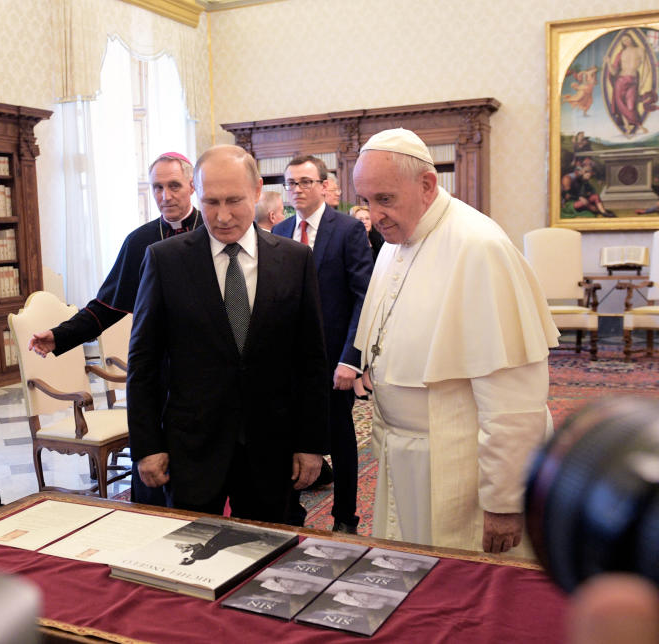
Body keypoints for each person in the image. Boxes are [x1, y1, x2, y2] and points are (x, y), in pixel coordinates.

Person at [352, 127, 559, 554]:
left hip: (456, 466)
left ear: (427, 185)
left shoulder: (479, 247)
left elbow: (514, 399)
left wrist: (504, 501)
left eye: (385, 199)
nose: (375, 216)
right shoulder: (396, 241)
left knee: (463, 592)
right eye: (367, 201)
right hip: (405, 458)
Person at [127, 144, 329, 525]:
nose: (221, 216)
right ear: (196, 195)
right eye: (210, 201)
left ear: (256, 192)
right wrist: (147, 446)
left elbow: (311, 359)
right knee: (189, 557)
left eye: (234, 201)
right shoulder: (164, 259)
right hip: (192, 447)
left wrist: (311, 443)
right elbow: (144, 361)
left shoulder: (295, 260)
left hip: (273, 445)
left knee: (270, 559)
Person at [27, 152, 202, 506]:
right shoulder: (140, 241)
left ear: (191, 187)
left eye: (174, 186)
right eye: (157, 187)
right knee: (153, 466)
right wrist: (60, 335)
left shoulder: (211, 232)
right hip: (156, 370)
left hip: (203, 371)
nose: (165, 196)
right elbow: (106, 306)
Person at [272, 155, 373, 533]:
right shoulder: (277, 232)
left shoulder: (346, 230)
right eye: (290, 182)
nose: (297, 189)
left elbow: (363, 298)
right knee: (288, 438)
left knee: (340, 439)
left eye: (305, 182)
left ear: (323, 186)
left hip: (333, 361)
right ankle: (291, 512)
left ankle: (345, 516)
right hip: (284, 364)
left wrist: (351, 359)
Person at [604, 32, 658, 136]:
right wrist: (608, 62)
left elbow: (646, 67)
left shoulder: (640, 50)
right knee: (621, 104)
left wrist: (642, 82)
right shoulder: (621, 53)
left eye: (627, 39)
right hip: (620, 80)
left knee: (631, 105)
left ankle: (638, 125)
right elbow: (614, 72)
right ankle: (627, 127)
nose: (626, 41)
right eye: (624, 40)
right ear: (622, 43)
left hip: (632, 80)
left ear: (632, 39)